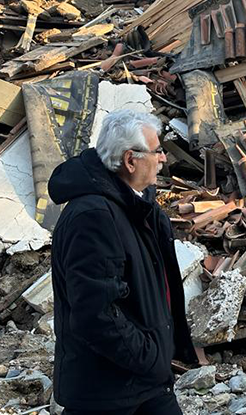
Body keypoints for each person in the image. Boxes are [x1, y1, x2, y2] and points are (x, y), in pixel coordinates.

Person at [48, 109, 198, 414]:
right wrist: (152, 359)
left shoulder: (136, 205)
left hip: (142, 384)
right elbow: (96, 314)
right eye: (156, 152)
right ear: (130, 160)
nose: (163, 159)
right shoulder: (94, 217)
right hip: (107, 393)